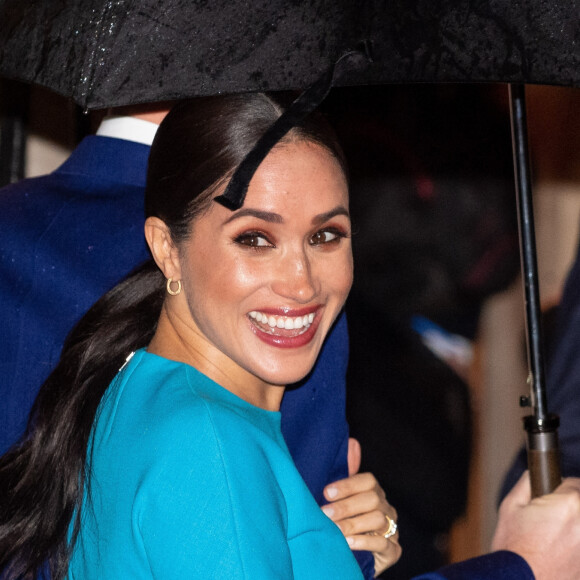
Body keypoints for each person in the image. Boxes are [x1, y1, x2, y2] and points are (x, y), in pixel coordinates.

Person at [0, 99, 380, 576]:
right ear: (167, 249)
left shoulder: (145, 388)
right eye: (255, 239)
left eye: (325, 236)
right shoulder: (210, 447)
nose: (301, 284)